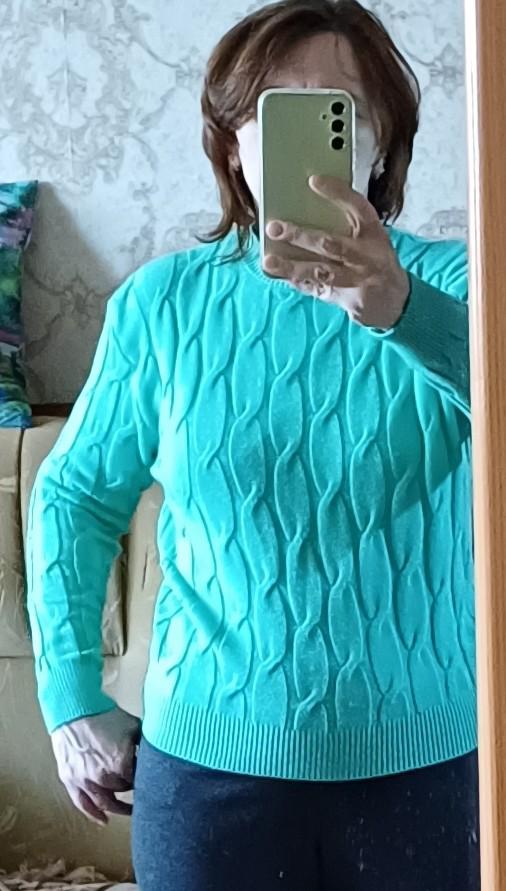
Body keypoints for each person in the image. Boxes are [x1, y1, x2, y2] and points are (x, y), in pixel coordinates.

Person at [26, 1, 480, 889]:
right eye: (276, 111)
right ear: (233, 143)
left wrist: (402, 312)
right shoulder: (164, 305)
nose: (306, 139)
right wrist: (71, 697)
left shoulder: (463, 285)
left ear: (381, 143)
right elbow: (74, 495)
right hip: (208, 777)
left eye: (340, 110)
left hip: (427, 770)